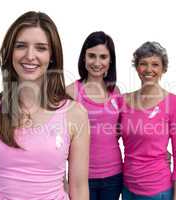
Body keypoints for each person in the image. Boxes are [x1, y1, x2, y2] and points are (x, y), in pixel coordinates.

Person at [0, 11, 90, 200]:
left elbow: (79, 188)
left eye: (40, 48)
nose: (29, 55)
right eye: (21, 46)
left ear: (52, 57)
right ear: (10, 53)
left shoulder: (75, 114)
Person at [119, 42, 176, 200]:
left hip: (157, 191)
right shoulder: (123, 101)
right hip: (127, 188)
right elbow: (110, 138)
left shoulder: (174, 103)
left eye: (155, 64)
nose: (149, 69)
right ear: (136, 68)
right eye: (143, 64)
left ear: (163, 69)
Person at [66, 31, 122, 200]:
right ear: (84, 57)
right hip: (82, 178)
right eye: (92, 56)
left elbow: (121, 131)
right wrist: (62, 179)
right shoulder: (71, 92)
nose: (97, 62)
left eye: (103, 57)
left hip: (114, 175)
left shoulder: (115, 91)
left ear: (110, 60)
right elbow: (59, 140)